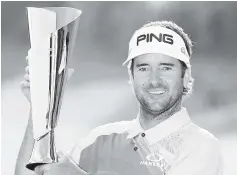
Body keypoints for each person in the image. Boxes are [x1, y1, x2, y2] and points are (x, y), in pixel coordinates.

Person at [15, 21, 224, 175]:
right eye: (143, 68)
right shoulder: (97, 139)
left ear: (186, 77)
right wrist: (41, 106)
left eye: (166, 68)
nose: (154, 80)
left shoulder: (201, 147)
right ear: (131, 77)